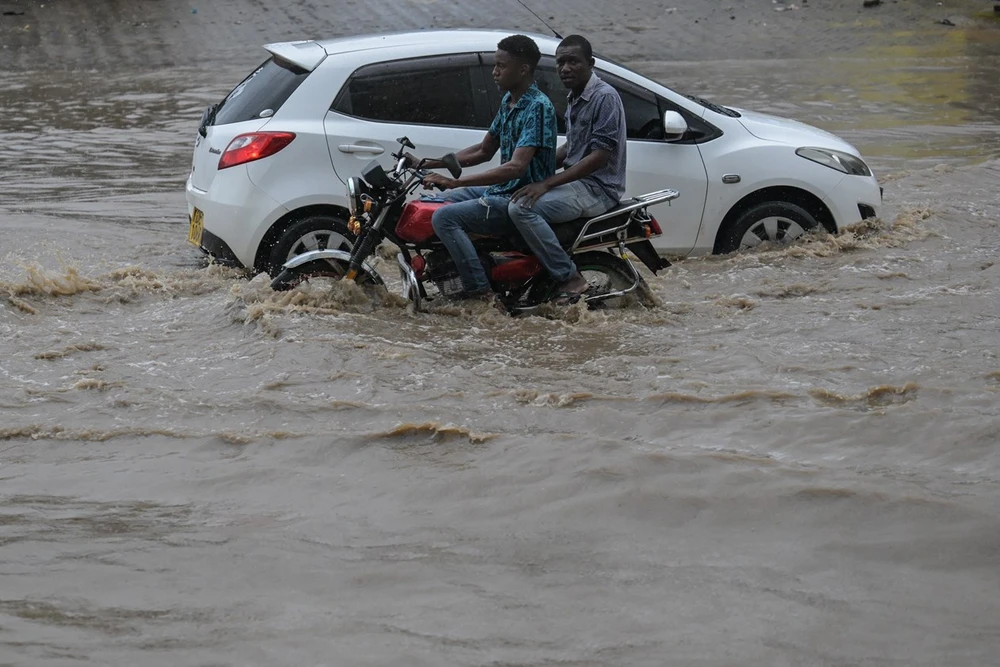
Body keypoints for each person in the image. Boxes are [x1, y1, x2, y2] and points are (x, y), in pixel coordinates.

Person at [414, 34, 558, 303]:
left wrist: (456, 181)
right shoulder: (509, 102)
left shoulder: (538, 107)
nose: (494, 72)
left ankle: (480, 292)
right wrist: (427, 163)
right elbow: (484, 150)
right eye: (495, 65)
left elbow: (516, 168)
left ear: (523, 69)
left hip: (518, 197)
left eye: (501, 66)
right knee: (437, 203)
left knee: (445, 218)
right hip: (501, 190)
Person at [508, 34, 628, 303]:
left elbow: (599, 156)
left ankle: (569, 277)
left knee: (520, 208)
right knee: (512, 194)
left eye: (573, 61)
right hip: (578, 185)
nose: (565, 69)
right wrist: (532, 169)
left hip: (598, 189)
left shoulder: (604, 97)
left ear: (591, 63)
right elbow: (570, 149)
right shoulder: (576, 97)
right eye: (561, 63)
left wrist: (547, 183)